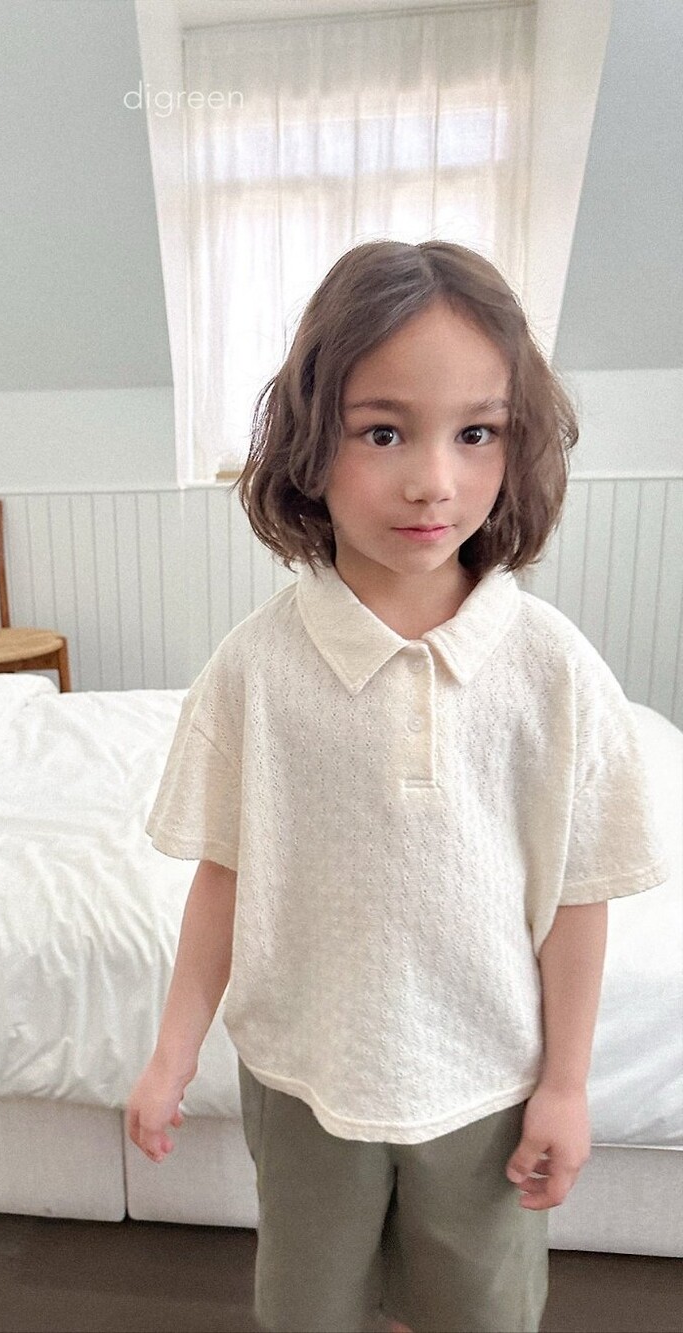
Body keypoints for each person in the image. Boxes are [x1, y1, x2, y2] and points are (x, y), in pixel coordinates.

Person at [125, 240, 668, 1333]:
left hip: (486, 1080)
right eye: (383, 432)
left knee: (474, 1311)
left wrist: (565, 1085)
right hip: (304, 1077)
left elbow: (579, 894)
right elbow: (225, 876)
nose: (433, 481)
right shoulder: (255, 666)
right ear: (308, 444)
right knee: (309, 1308)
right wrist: (173, 1051)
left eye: (476, 433)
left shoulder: (553, 669)